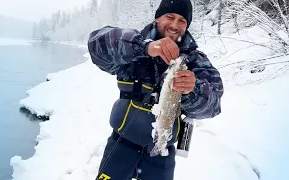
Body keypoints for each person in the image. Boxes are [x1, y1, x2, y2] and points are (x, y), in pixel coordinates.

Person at [87, 0, 224, 179]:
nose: (175, 25)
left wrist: (193, 90)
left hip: (162, 153)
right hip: (121, 145)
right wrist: (145, 47)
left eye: (182, 20)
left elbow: (214, 105)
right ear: (157, 18)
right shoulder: (131, 46)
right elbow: (96, 45)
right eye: (170, 17)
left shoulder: (196, 62)